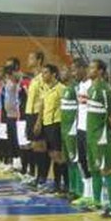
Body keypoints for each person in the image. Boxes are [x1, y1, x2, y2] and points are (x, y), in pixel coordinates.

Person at [85, 59, 111, 214]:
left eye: (92, 67)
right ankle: (97, 201)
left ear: (100, 71)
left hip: (101, 136)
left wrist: (108, 130)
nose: (89, 70)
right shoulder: (91, 88)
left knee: (106, 170)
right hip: (91, 135)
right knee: (94, 169)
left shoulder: (105, 90)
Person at [38, 64, 68, 196]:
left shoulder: (62, 89)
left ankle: (66, 184)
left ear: (54, 74)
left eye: (46, 73)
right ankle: (56, 183)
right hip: (46, 124)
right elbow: (42, 105)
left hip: (57, 124)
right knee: (51, 155)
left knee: (59, 155)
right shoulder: (44, 88)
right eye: (42, 73)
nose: (43, 75)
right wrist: (39, 121)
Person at [71, 59, 96, 210]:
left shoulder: (92, 86)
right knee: (81, 161)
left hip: (90, 130)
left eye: (75, 70)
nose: (73, 73)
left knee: (91, 162)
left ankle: (94, 195)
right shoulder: (79, 86)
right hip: (80, 128)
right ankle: (87, 194)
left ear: (83, 69)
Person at [25, 51, 50, 190]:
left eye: (31, 57)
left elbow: (43, 100)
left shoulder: (42, 78)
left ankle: (42, 178)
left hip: (37, 115)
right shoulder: (34, 78)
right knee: (34, 146)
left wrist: (39, 120)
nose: (28, 60)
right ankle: (37, 176)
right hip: (30, 114)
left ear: (39, 60)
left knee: (41, 146)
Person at [59, 63, 82, 200]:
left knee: (75, 160)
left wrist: (76, 127)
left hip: (72, 130)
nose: (62, 72)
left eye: (64, 69)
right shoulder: (66, 89)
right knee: (68, 160)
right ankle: (72, 188)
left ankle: (79, 190)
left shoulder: (76, 88)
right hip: (64, 129)